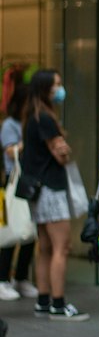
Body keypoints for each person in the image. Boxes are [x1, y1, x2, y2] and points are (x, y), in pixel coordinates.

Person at [21, 70, 88, 320]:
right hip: (51, 188)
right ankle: (58, 304)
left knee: (46, 247)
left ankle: (43, 300)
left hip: (38, 191)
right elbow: (60, 154)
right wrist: (65, 149)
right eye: (57, 85)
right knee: (62, 246)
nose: (61, 89)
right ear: (45, 89)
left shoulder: (32, 116)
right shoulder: (46, 119)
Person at [0, 81, 37, 300]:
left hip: (29, 182)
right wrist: (28, 142)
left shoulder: (29, 121)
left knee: (29, 231)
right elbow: (8, 152)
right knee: (11, 231)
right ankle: (3, 278)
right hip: (12, 184)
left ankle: (21, 277)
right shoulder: (10, 125)